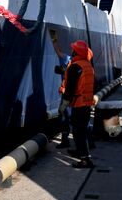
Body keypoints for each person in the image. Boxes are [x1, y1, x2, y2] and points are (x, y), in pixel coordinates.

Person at [61, 40, 95, 168]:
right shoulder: (88, 66)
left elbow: (69, 89)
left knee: (78, 132)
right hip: (87, 103)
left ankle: (85, 159)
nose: (72, 51)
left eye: (73, 49)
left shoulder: (75, 67)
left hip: (79, 104)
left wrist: (63, 105)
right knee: (83, 130)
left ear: (76, 52)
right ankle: (81, 151)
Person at [49, 29, 71, 149]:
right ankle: (88, 142)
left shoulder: (68, 60)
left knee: (64, 116)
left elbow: (58, 52)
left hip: (68, 95)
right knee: (81, 120)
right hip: (80, 96)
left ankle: (65, 140)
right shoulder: (85, 64)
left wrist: (53, 38)